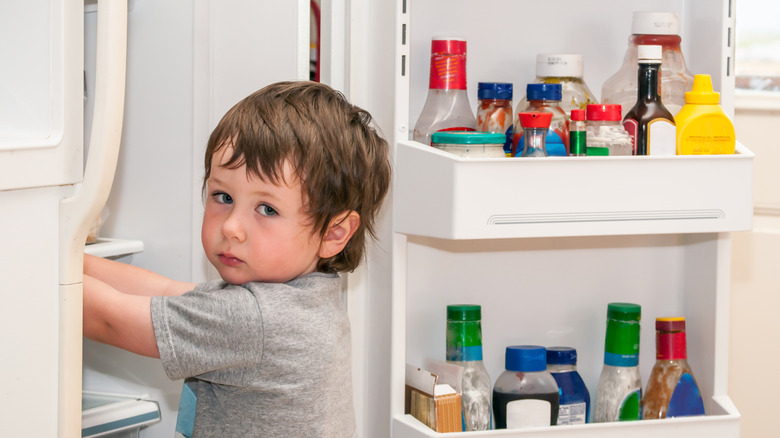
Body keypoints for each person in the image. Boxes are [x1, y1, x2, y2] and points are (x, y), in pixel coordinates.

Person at [83, 81, 392, 437]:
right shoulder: (305, 299)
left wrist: (33, 263)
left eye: (266, 208)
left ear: (334, 234)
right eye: (223, 196)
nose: (232, 227)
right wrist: (74, 262)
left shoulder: (252, 320)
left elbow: (109, 321)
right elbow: (165, 290)